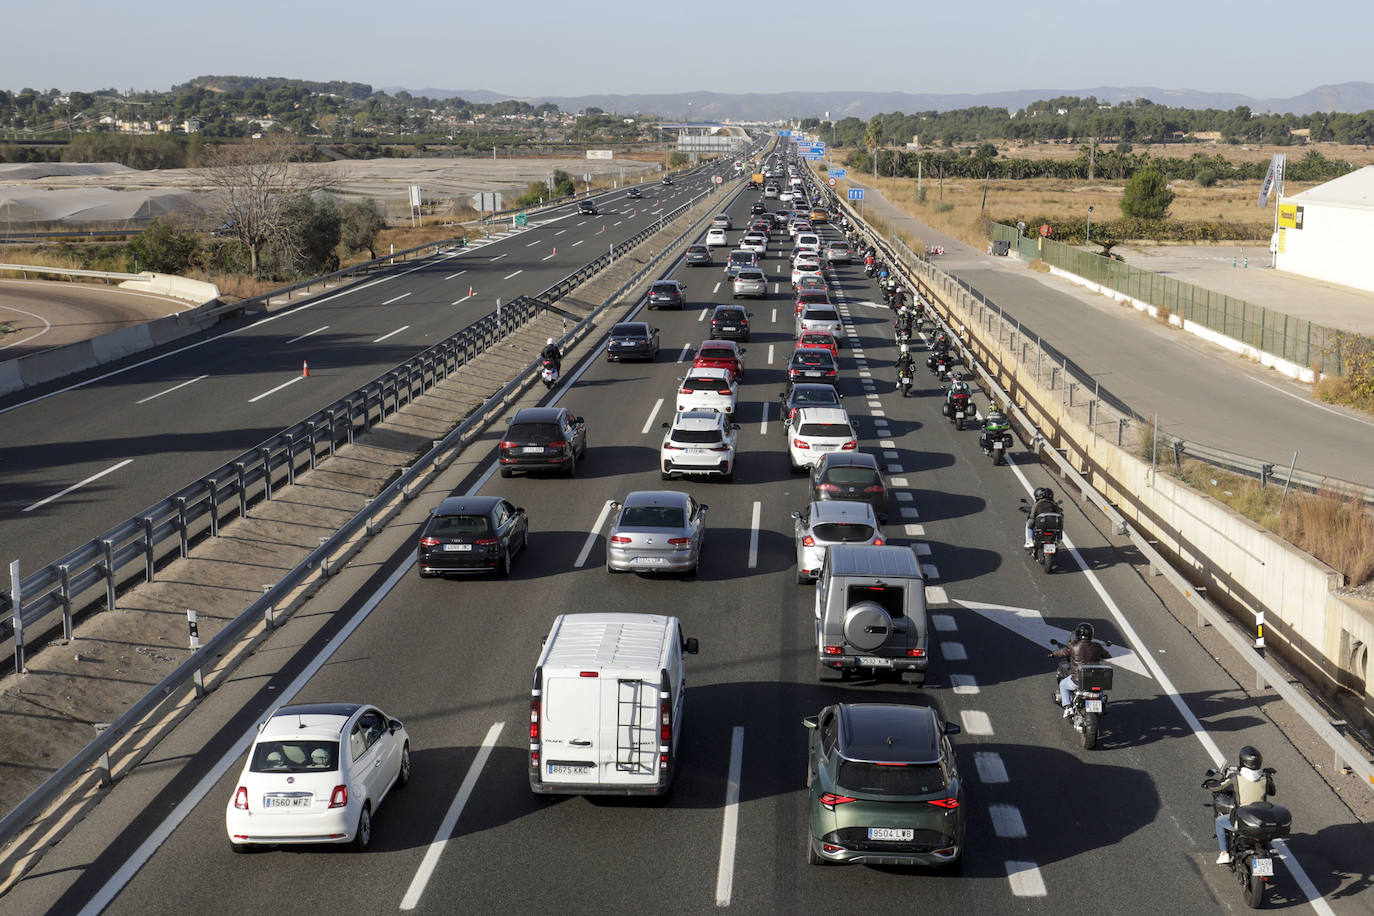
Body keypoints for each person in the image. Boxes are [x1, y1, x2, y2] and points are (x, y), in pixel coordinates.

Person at [1211, 746, 1275, 865]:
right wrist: (1269, 777)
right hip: (1262, 820)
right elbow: (1272, 791)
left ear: (1242, 761)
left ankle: (1224, 853)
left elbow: (1219, 786)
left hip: (1243, 821)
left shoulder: (1236, 778)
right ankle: (1267, 848)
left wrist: (1209, 785)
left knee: (1220, 821)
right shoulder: (1265, 777)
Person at [1050, 622, 1112, 716]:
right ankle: (1102, 702)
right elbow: (1107, 655)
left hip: (1077, 681)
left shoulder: (1073, 646)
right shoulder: (1097, 646)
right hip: (1094, 679)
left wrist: (1053, 654)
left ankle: (1068, 707)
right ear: (1091, 634)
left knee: (1063, 685)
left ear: (1078, 634)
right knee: (1100, 685)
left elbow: (1062, 652)